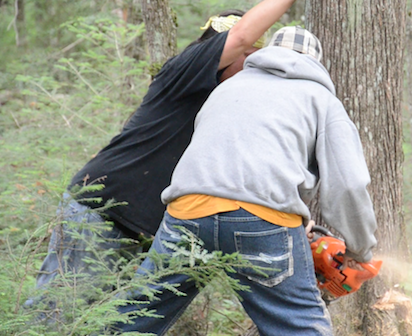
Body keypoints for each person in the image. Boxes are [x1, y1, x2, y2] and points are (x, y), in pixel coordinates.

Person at [26, 0, 297, 310]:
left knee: (106, 325)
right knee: (54, 313)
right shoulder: (185, 69)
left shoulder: (229, 105)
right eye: (247, 56)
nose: (251, 66)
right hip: (103, 212)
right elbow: (240, 37)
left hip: (144, 232)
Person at [114, 26, 379, 336]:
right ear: (315, 64)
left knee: (135, 317)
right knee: (299, 326)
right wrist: (360, 250)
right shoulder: (321, 99)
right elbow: (348, 185)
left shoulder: (226, 88)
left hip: (187, 212)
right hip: (261, 218)